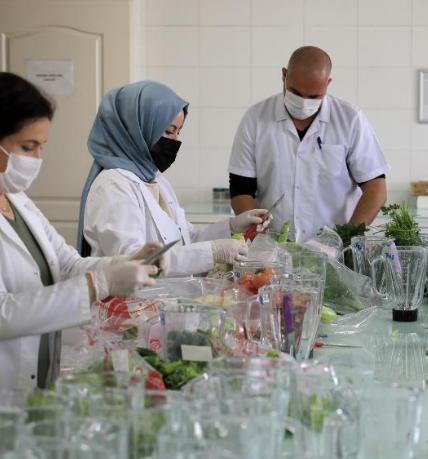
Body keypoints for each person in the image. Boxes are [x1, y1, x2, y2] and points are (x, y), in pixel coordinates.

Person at [0, 72, 161, 390]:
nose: (36, 160)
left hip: (37, 380)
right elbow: (4, 313)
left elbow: (68, 265)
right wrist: (99, 284)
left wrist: (125, 264)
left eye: (41, 147)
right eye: (27, 146)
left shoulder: (17, 201)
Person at [78, 81, 270, 275]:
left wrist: (232, 226)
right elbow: (133, 262)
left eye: (179, 131)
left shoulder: (155, 179)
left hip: (163, 297)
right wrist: (212, 252)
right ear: (137, 128)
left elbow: (187, 239)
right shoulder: (113, 186)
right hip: (130, 301)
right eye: (169, 131)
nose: (175, 141)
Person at [229, 46, 389, 242]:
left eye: (314, 97)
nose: (304, 103)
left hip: (334, 251)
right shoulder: (256, 118)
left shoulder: (350, 119)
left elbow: (376, 189)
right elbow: (240, 191)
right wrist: (263, 240)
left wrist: (346, 238)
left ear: (328, 83)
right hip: (273, 248)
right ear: (284, 75)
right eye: (296, 93)